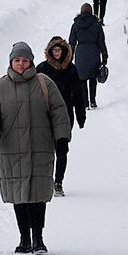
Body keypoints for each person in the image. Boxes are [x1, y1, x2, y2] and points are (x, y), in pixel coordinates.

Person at [0, 41, 71, 254]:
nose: (21, 64)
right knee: (19, 195)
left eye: (25, 60)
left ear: (31, 61)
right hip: (11, 149)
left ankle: (38, 239)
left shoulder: (44, 83)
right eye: (17, 60)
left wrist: (61, 139)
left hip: (40, 148)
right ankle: (24, 238)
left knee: (38, 195)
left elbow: (59, 111)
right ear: (11, 62)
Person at [35, 37, 86, 197]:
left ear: (64, 51)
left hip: (65, 115)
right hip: (45, 114)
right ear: (50, 52)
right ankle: (46, 180)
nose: (57, 53)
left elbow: (78, 93)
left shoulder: (71, 69)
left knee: (62, 149)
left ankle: (58, 182)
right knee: (45, 150)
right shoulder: (42, 69)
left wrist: (80, 115)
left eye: (59, 50)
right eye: (54, 50)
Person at [70, 3, 108, 109]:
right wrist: (105, 56)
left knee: (82, 80)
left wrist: (70, 56)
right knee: (92, 78)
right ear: (91, 12)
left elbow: (72, 42)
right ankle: (93, 101)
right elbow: (101, 41)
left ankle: (85, 103)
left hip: (81, 53)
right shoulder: (96, 24)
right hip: (94, 52)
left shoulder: (75, 24)